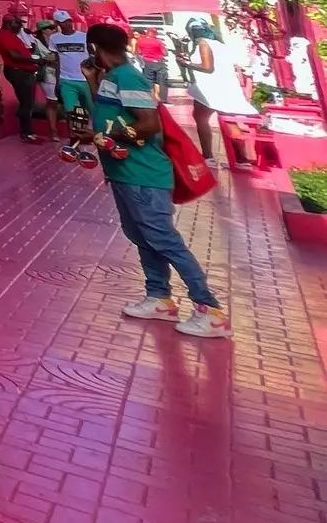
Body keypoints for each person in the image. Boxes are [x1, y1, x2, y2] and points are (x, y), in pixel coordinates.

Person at [78, 22, 230, 338]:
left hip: (143, 176)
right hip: (125, 175)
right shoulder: (112, 78)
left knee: (164, 240)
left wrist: (103, 136)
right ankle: (160, 297)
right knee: (143, 237)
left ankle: (209, 309)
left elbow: (147, 126)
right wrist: (93, 82)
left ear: (94, 49)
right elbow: (107, 113)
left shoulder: (129, 77)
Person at [182, 19, 257, 167]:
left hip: (209, 89)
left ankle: (208, 156)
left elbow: (207, 67)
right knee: (229, 121)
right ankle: (240, 158)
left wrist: (186, 64)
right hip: (226, 88)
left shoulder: (203, 44)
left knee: (201, 120)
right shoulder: (221, 45)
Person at [46, 10, 96, 165]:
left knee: (94, 110)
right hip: (66, 80)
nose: (67, 24)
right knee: (73, 112)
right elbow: (57, 60)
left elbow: (93, 56)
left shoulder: (83, 36)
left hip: (85, 80)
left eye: (68, 20)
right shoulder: (54, 39)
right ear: (58, 24)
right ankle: (75, 141)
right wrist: (57, 81)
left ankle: (101, 136)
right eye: (63, 22)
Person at [0, 11, 43, 141]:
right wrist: (36, 61)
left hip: (24, 71)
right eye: (18, 24)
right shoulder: (3, 35)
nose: (20, 27)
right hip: (19, 71)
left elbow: (19, 52)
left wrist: (30, 52)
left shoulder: (11, 35)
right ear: (9, 23)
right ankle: (26, 133)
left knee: (28, 103)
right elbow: (14, 56)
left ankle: (28, 132)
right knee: (26, 103)